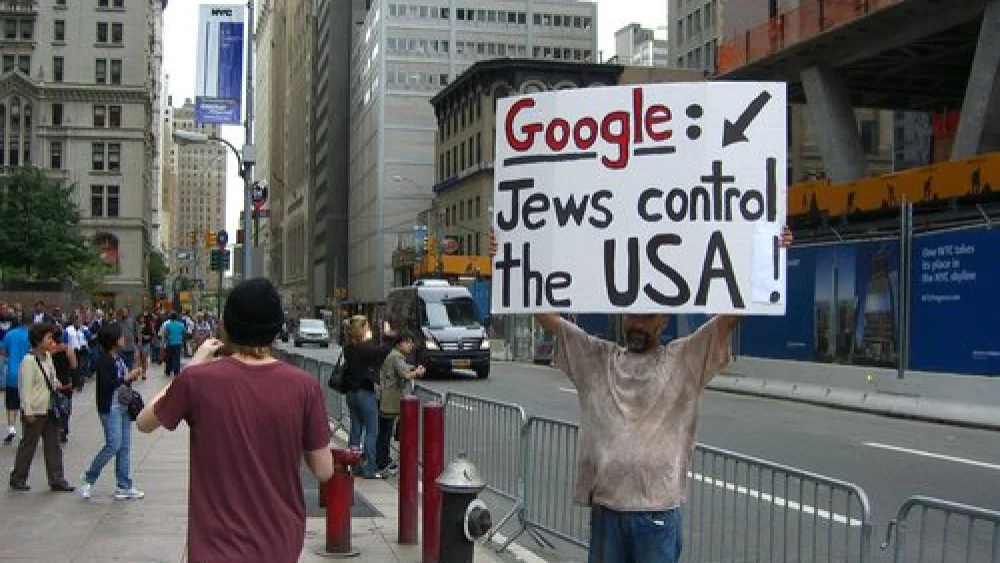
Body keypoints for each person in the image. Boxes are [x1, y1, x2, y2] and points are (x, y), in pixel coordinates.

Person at [526, 227, 793, 563]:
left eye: (647, 316)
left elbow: (730, 316)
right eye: (632, 314)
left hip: (657, 516)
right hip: (607, 511)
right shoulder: (595, 360)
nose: (637, 323)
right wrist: (507, 257)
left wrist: (771, 256)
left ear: (664, 319)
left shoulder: (686, 360)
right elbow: (542, 313)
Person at [136, 278, 333, 563]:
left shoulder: (198, 380)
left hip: (215, 547)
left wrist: (193, 366)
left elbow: (144, 422)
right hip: (280, 542)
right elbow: (324, 469)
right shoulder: (304, 386)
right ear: (276, 328)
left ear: (226, 325)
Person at [78, 322, 145, 500]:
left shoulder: (118, 357)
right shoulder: (104, 360)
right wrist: (126, 378)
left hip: (123, 406)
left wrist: (131, 376)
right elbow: (107, 385)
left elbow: (121, 381)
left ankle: (124, 485)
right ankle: (87, 478)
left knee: (124, 447)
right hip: (110, 407)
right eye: (120, 336)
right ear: (113, 340)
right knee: (113, 444)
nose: (124, 338)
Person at [9, 322, 75, 492]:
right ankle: (18, 477)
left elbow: (51, 379)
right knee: (28, 445)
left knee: (53, 445)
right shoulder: (28, 361)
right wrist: (27, 410)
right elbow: (25, 388)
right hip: (35, 410)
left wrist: (59, 385)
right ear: (38, 340)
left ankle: (57, 479)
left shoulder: (48, 357)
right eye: (49, 338)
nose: (52, 341)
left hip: (50, 407)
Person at [343, 315, 392, 479]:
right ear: (363, 328)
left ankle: (353, 465)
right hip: (365, 392)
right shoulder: (365, 348)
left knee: (356, 429)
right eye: (367, 326)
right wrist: (386, 335)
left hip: (351, 393)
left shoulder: (348, 348)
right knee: (372, 431)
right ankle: (370, 468)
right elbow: (383, 351)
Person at [375, 331, 425, 474]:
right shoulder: (396, 356)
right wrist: (417, 372)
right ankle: (382, 461)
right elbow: (404, 374)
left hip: (387, 397)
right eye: (408, 342)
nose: (411, 345)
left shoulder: (395, 356)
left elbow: (403, 367)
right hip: (389, 399)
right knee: (385, 431)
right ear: (399, 343)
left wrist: (413, 368)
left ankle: (383, 459)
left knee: (385, 431)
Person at [1, 313, 31, 444]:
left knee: (11, 404)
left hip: (12, 373)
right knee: (25, 404)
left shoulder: (10, 334)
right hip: (27, 373)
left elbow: (3, 351)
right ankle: (24, 433)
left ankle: (11, 429)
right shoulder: (32, 336)